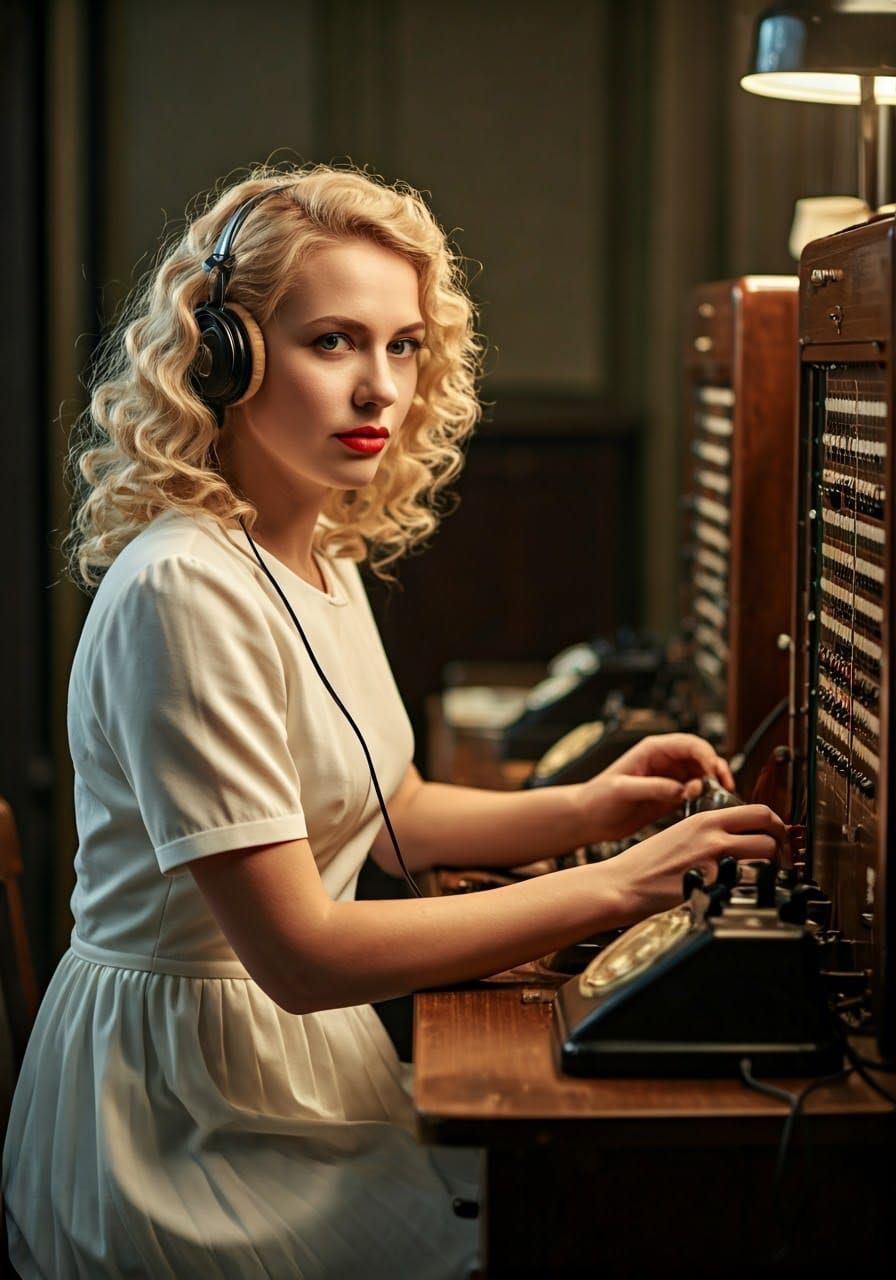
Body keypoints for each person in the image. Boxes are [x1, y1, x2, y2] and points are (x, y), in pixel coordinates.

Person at [2, 163, 786, 1279]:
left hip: (293, 1061)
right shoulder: (182, 587)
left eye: (403, 344)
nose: (380, 387)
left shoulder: (318, 553)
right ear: (222, 356)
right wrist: (620, 882)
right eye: (333, 342)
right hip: (175, 1113)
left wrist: (590, 804)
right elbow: (304, 951)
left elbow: (392, 813)